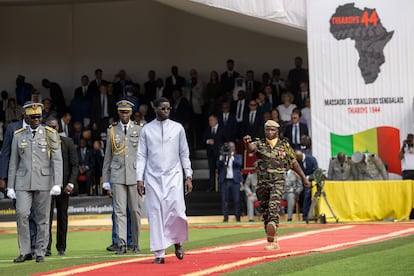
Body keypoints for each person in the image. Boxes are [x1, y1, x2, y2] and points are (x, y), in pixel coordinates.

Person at [136, 97, 193, 264]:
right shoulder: (147, 130)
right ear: (155, 109)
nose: (166, 111)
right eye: (163, 108)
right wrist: (139, 178)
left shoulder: (178, 128)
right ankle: (159, 254)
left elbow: (184, 153)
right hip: (152, 177)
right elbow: (141, 155)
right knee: (155, 214)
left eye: (168, 108)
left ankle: (178, 241)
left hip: (174, 176)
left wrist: (188, 176)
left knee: (177, 211)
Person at [7, 102, 63, 263]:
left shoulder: (50, 133)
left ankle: (40, 250)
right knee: (22, 214)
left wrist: (57, 183)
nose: (36, 120)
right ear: (26, 118)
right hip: (23, 181)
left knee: (43, 217)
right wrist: (10, 185)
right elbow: (13, 162)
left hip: (44, 181)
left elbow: (57, 160)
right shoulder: (18, 135)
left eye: (39, 117)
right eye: (33, 117)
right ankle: (25, 251)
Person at [244, 120, 309, 250]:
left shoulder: (284, 145)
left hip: (278, 182)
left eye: (272, 130)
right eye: (267, 129)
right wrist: (246, 143)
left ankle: (273, 227)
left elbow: (294, 163)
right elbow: (251, 149)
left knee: (273, 206)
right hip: (263, 183)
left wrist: (303, 178)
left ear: (277, 131)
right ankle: (273, 240)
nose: (269, 132)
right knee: (266, 211)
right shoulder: (259, 143)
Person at [102, 99, 143, 254]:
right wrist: (106, 181)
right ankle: (121, 244)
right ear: (118, 112)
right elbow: (108, 157)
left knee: (135, 210)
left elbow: (143, 156)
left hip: (134, 174)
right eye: (122, 112)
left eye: (127, 112)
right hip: (117, 174)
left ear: (131, 112)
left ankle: (136, 243)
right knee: (119, 211)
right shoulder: (111, 130)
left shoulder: (139, 129)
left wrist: (143, 177)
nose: (124, 114)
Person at [45, 117, 79, 257]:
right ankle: (45, 247)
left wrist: (70, 183)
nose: (53, 129)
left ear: (59, 128)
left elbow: (75, 165)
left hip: (64, 186)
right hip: (45, 186)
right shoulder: (41, 143)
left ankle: (61, 247)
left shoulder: (67, 142)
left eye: (55, 127)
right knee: (45, 218)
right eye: (50, 127)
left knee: (62, 217)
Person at [217, 141, 243, 222]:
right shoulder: (223, 157)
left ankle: (238, 218)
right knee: (224, 200)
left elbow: (239, 164)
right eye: (229, 147)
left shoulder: (238, 156)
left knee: (237, 200)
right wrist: (222, 156)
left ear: (234, 148)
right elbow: (218, 165)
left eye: (232, 147)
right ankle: (225, 218)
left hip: (235, 181)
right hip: (225, 181)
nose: (230, 148)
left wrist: (231, 156)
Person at [294, 149, 318, 221]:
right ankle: (305, 215)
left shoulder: (311, 159)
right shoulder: (297, 161)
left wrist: (309, 178)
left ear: (300, 156)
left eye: (297, 158)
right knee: (303, 194)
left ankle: (306, 215)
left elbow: (316, 171)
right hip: (301, 182)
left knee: (307, 195)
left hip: (312, 182)